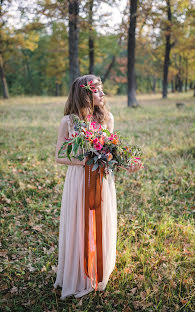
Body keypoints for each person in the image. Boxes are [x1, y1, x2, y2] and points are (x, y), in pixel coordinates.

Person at [53, 74, 117, 299]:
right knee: (79, 222)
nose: (102, 94)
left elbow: (112, 150)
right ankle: (78, 272)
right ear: (86, 94)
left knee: (99, 221)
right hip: (79, 179)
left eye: (102, 90)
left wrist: (114, 159)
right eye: (97, 90)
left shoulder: (106, 118)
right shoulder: (68, 122)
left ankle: (98, 269)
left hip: (101, 178)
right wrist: (87, 160)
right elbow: (60, 156)